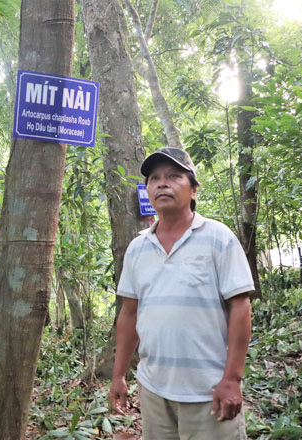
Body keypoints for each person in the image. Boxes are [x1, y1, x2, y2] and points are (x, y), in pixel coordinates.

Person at [108, 147, 253, 440]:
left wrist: (232, 379)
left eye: (174, 176)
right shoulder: (137, 248)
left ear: (194, 189)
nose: (162, 183)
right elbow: (129, 313)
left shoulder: (218, 238)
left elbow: (241, 307)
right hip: (154, 390)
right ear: (147, 189)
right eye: (155, 178)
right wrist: (119, 375)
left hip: (209, 391)